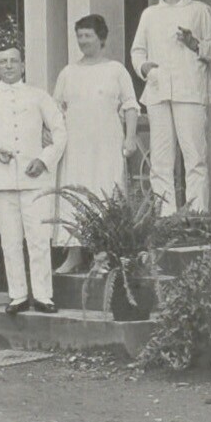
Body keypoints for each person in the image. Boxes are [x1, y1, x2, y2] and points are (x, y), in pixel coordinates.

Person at [0, 45, 68, 315]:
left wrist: (44, 159)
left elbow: (60, 131)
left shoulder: (38, 96)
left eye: (13, 61)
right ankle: (18, 295)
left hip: (35, 180)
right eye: (3, 61)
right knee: (10, 242)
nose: (8, 66)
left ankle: (43, 296)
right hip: (1, 180)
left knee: (38, 239)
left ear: (23, 66)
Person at [129, 0, 211, 215]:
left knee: (195, 158)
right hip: (158, 91)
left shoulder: (200, 10)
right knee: (160, 161)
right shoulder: (150, 14)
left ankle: (197, 217)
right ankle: (166, 218)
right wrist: (144, 67)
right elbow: (137, 51)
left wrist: (195, 44)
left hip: (190, 90)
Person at [51, 14, 141, 275]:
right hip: (75, 145)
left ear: (101, 38)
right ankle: (74, 254)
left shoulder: (116, 70)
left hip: (106, 144)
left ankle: (102, 256)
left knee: (105, 192)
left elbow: (130, 105)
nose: (83, 41)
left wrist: (130, 137)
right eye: (79, 36)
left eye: (88, 35)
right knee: (75, 194)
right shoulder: (68, 72)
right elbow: (55, 109)